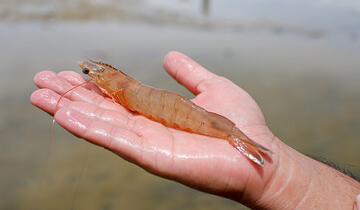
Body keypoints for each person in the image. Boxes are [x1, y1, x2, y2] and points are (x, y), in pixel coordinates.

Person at [31, 51, 360, 209]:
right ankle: (236, 137)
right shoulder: (116, 84)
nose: (89, 74)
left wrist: (277, 178)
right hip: (157, 100)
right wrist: (279, 178)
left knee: (186, 114)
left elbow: (122, 93)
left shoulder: (117, 88)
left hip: (175, 110)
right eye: (90, 73)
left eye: (90, 72)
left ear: (102, 77)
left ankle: (233, 135)